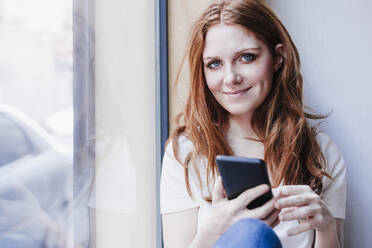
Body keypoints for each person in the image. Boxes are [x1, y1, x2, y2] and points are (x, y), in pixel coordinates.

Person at [160, 0, 346, 247]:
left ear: (278, 59)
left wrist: (326, 227)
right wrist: (215, 229)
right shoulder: (185, 153)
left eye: (247, 58)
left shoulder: (320, 153)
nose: (231, 78)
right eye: (214, 64)